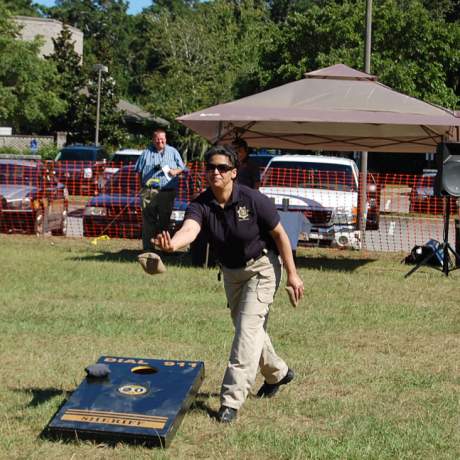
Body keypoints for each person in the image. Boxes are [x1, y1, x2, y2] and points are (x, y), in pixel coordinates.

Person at [154, 145, 304, 423]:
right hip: (232, 274)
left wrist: (293, 274)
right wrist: (172, 244)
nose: (216, 172)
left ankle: (230, 401)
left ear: (234, 173)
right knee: (250, 329)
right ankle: (278, 373)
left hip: (262, 269)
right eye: (210, 167)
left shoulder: (253, 199)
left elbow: (281, 235)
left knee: (245, 332)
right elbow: (190, 229)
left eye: (222, 168)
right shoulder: (201, 204)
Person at [135, 129, 186, 250]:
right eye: (157, 139)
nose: (160, 141)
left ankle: (164, 248)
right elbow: (138, 172)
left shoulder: (173, 151)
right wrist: (141, 190)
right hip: (148, 191)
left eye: (162, 138)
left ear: (166, 139)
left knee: (164, 222)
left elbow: (182, 167)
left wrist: (175, 171)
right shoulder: (146, 153)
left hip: (167, 192)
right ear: (153, 140)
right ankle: (148, 249)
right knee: (148, 222)